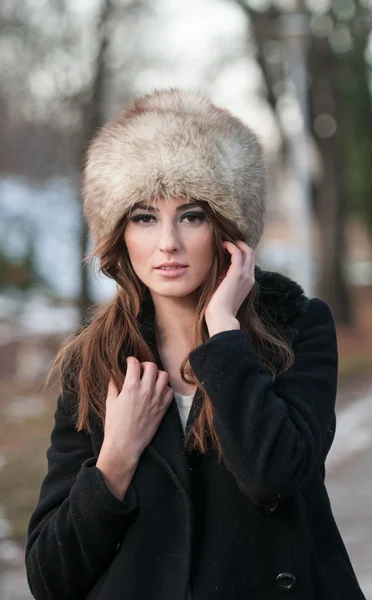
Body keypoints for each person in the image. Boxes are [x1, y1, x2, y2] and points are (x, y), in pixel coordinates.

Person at [25, 88, 366, 600]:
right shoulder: (95, 359)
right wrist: (115, 459)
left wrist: (224, 329)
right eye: (144, 216)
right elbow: (50, 577)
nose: (167, 242)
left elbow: (273, 476)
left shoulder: (297, 328)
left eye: (192, 215)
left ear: (228, 228)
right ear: (120, 233)